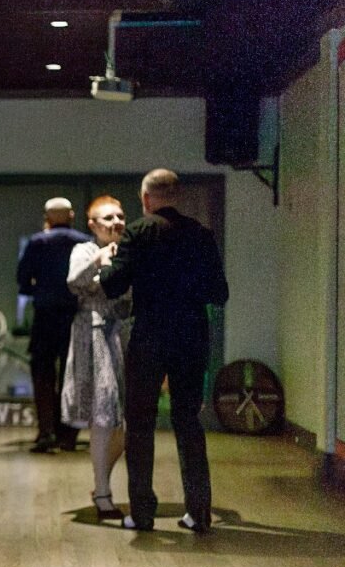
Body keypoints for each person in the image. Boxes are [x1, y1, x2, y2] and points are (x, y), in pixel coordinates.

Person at [100, 169, 229, 533]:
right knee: (188, 422)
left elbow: (112, 286)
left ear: (146, 199)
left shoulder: (138, 233)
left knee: (140, 424)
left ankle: (142, 514)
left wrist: (111, 262)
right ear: (178, 197)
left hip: (150, 334)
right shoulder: (202, 236)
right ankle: (199, 513)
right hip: (191, 333)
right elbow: (219, 293)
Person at [60, 196, 130, 520]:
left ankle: (101, 481)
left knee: (127, 422)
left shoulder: (131, 249)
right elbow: (75, 281)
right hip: (95, 333)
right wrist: (100, 258)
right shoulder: (85, 250)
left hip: (127, 334)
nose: (115, 222)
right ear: (92, 225)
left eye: (119, 216)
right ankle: (103, 492)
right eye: (107, 218)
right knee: (103, 411)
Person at [17, 197, 91, 453]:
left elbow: (23, 279)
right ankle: (68, 433)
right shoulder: (84, 241)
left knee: (42, 372)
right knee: (72, 373)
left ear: (47, 217)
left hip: (45, 314)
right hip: (75, 314)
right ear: (71, 215)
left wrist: (39, 290)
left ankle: (46, 430)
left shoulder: (38, 242)